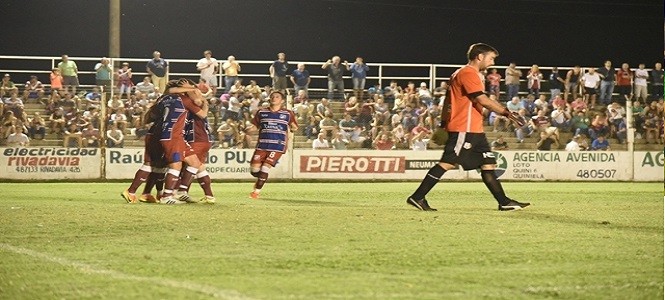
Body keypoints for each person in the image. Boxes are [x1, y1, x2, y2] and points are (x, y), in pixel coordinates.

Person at [406, 43, 529, 212]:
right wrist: (508, 113)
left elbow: (449, 102)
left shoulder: (463, 73)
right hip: (465, 127)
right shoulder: (468, 73)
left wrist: (443, 124)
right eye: (491, 58)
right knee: (448, 163)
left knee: (488, 164)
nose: (492, 63)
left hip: (474, 129)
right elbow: (482, 99)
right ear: (480, 57)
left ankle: (504, 202)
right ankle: (418, 197)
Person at [249, 90, 298, 199]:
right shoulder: (261, 112)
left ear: (282, 101)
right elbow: (254, 126)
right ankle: (261, 178)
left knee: (265, 168)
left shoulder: (287, 114)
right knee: (254, 170)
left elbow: (294, 126)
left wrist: (293, 129)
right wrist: (247, 129)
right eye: (272, 96)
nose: (274, 98)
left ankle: (256, 192)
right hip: (262, 145)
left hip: (277, 145)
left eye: (277, 97)